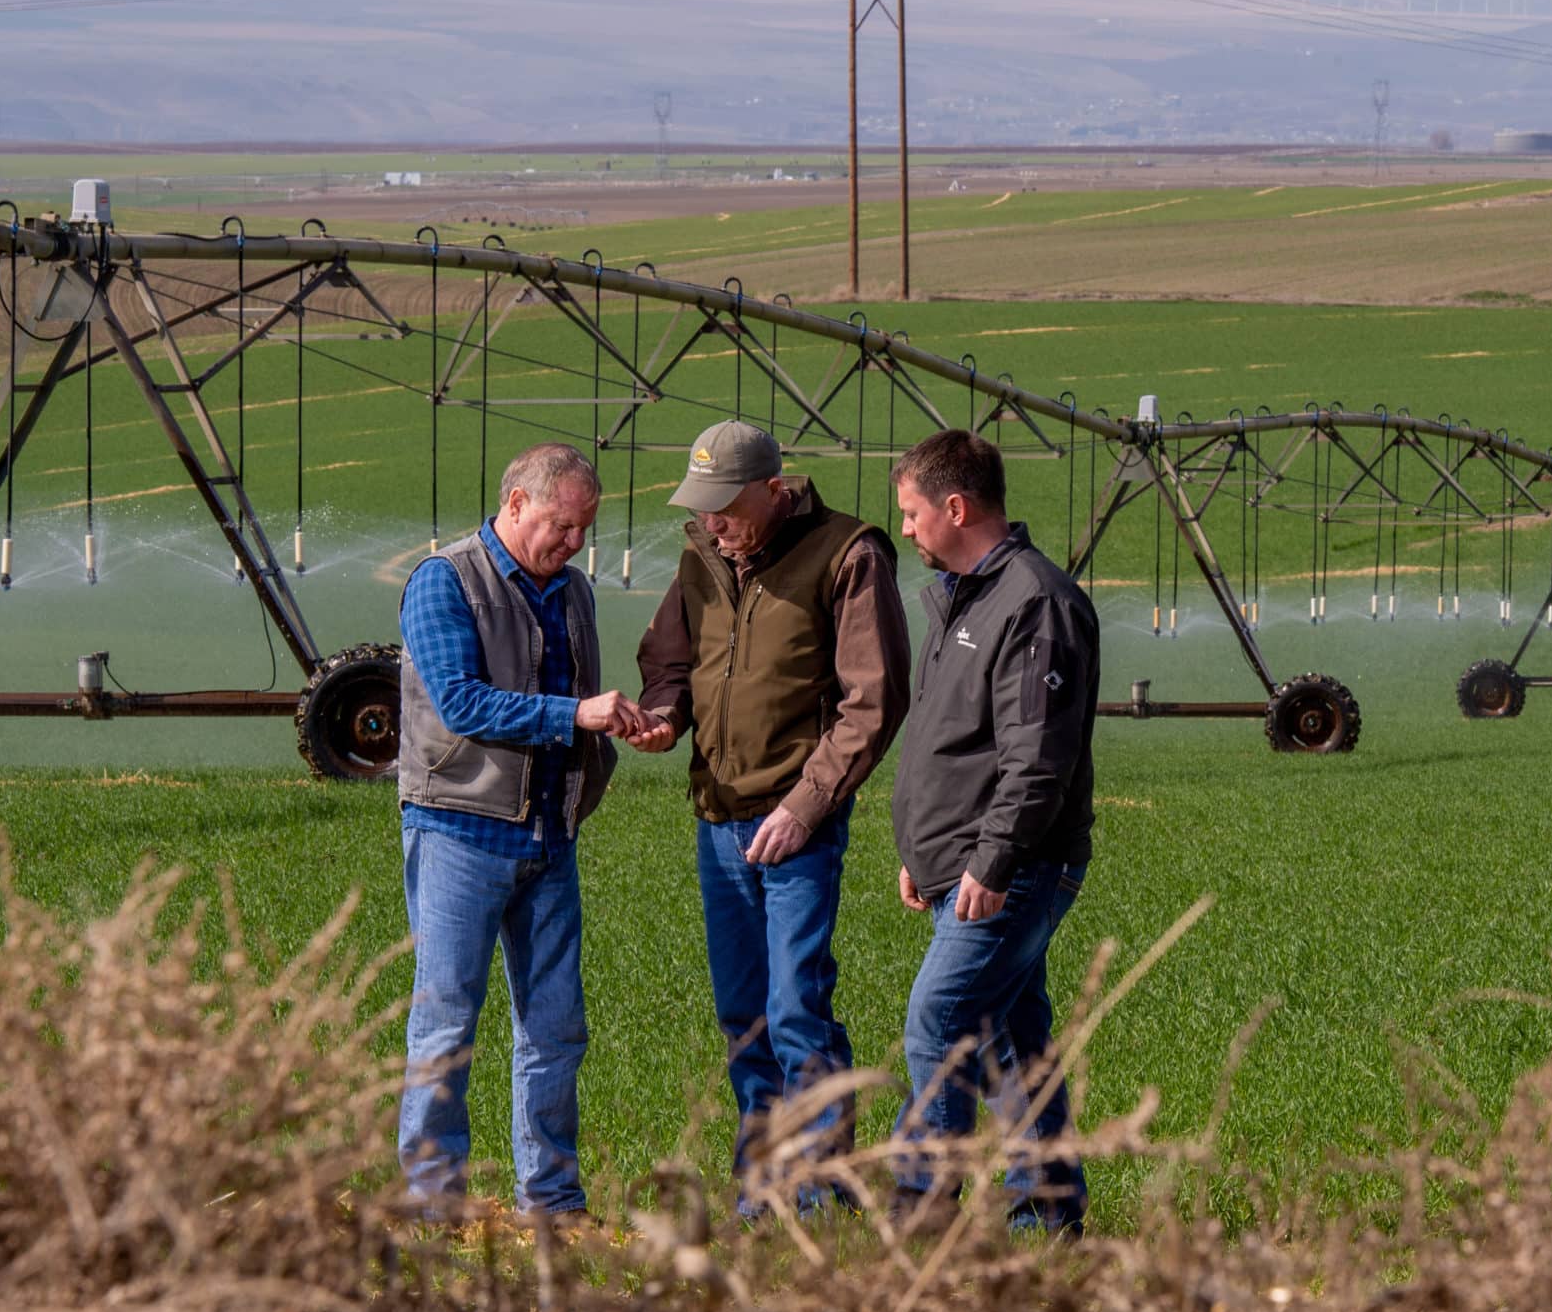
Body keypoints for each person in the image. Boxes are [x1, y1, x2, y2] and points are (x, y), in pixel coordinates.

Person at [633, 420, 910, 1213]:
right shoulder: (702, 557)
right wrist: (663, 714)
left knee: (796, 1009)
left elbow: (875, 701)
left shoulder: (848, 555)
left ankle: (821, 1190)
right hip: (717, 817)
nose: (712, 521)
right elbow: (669, 659)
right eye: (701, 506)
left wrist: (808, 804)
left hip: (797, 826)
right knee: (742, 1013)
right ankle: (763, 1186)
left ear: (772, 487)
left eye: (724, 505)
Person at [396, 441, 650, 1220]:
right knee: (447, 1021)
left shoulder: (572, 592)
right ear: (514, 505)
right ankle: (435, 1205)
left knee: (556, 1028)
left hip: (548, 836)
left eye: (583, 529)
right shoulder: (444, 583)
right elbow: (462, 705)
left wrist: (623, 731)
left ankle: (551, 1202)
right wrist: (576, 715)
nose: (572, 542)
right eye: (559, 524)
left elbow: (580, 710)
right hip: (460, 833)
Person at [887, 429, 1101, 1234]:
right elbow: (953, 739)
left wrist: (992, 862)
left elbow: (1036, 757)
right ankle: (1045, 1224)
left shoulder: (1033, 601)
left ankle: (923, 1216)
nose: (906, 530)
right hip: (962, 864)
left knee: (937, 1023)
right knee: (1014, 1043)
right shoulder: (964, 594)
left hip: (1014, 867)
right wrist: (924, 853)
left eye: (911, 514)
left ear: (955, 506)